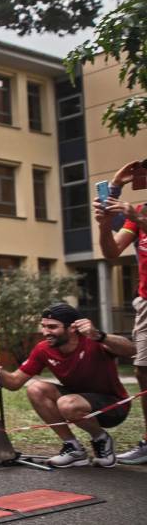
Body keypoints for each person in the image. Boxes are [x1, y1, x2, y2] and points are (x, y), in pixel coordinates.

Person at [0, 303, 135, 468]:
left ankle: (101, 438)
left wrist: (99, 335)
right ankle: (73, 448)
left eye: (52, 327)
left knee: (67, 403)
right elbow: (14, 383)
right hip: (76, 400)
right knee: (36, 389)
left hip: (113, 406)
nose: (45, 332)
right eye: (43, 326)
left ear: (72, 328)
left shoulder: (92, 340)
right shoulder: (43, 349)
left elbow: (131, 350)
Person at [95, 162, 147, 464]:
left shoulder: (138, 213)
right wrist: (104, 223)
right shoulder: (137, 214)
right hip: (145, 303)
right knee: (142, 371)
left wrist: (136, 215)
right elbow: (112, 251)